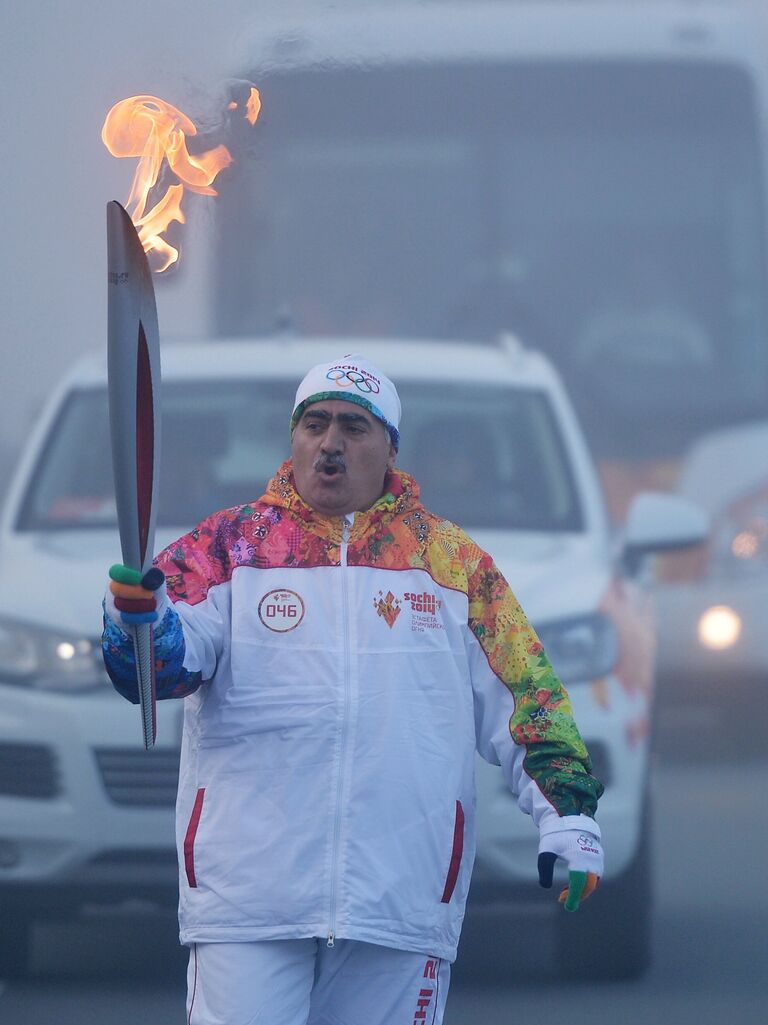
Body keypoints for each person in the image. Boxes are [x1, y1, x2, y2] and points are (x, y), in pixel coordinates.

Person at [102, 354, 604, 1025]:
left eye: (353, 427)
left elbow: (528, 698)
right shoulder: (227, 548)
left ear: (389, 448)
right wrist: (133, 620)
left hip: (400, 894)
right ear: (294, 437)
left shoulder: (451, 565)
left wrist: (567, 817)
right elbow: (157, 667)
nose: (330, 442)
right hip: (249, 893)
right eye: (315, 423)